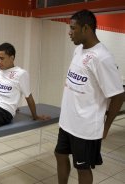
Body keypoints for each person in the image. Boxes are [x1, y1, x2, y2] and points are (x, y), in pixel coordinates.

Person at [54, 10, 124, 184]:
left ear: (86, 28)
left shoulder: (102, 57)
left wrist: (106, 126)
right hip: (68, 121)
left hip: (85, 127)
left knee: (82, 168)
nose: (69, 32)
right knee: (60, 154)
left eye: (73, 28)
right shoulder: (78, 50)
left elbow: (118, 95)